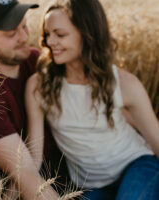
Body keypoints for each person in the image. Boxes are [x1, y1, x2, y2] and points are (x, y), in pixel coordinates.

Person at [25, 0, 159, 199]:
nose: (50, 42)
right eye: (47, 34)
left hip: (137, 166)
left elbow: (156, 141)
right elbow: (34, 158)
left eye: (60, 34)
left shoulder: (125, 84)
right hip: (88, 186)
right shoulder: (38, 86)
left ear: (87, 34)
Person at [0, 0, 67, 199]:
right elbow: (27, 176)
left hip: (73, 174)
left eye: (24, 25)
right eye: (11, 33)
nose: (24, 37)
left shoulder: (37, 61)